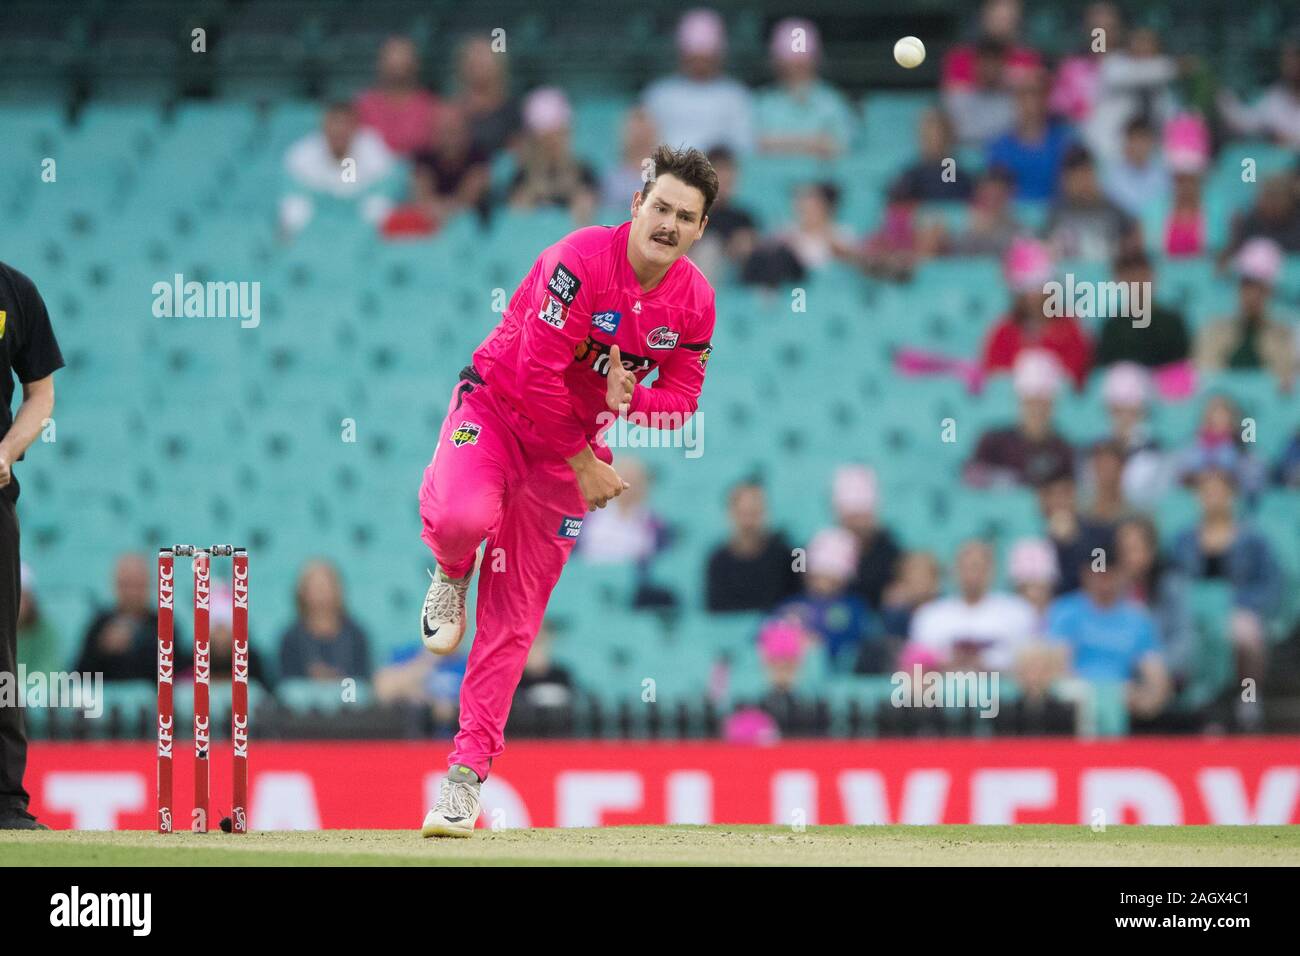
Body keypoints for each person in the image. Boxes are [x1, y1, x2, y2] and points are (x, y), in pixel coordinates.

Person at [416, 145, 718, 836]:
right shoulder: (576, 261)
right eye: (661, 207)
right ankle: (450, 569)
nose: (668, 225)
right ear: (636, 205)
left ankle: (465, 779)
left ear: (701, 230)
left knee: (515, 621)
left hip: (566, 460)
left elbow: (682, 401)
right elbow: (536, 375)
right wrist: (586, 461)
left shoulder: (695, 302)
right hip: (496, 411)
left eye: (686, 217)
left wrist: (631, 397)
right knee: (463, 518)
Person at [0, 260, 63, 830]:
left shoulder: (15, 290)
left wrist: (10, 448)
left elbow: (40, 394)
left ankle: (4, 804)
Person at [1171, 468, 1284, 727]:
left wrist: (1241, 606)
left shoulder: (1253, 539)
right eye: (1206, 493)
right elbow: (1174, 581)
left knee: (1243, 633)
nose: (1212, 498)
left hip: (1238, 607)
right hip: (1193, 610)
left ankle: (1247, 698)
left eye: (1219, 492)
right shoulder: (1184, 539)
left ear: (1231, 496)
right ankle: (1199, 703)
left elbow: (1269, 582)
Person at [1045, 562, 1172, 721]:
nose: (1104, 582)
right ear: (1086, 575)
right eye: (1098, 575)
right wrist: (1101, 693)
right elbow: (1056, 666)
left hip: (1123, 703)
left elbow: (1155, 672)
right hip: (1075, 699)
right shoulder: (1066, 611)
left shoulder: (1137, 618)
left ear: (1122, 575)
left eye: (1109, 574)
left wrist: (1145, 700)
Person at [904, 540, 1036, 672]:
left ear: (992, 570)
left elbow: (1028, 659)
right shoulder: (930, 615)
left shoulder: (1018, 611)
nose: (972, 575)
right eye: (965, 567)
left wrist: (987, 663)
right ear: (955, 571)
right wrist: (949, 661)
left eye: (977, 567)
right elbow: (918, 663)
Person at [642, 9, 753, 155]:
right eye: (694, 58)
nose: (700, 64)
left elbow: (744, 147)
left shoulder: (736, 96)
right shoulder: (658, 94)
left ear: (719, 55)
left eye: (706, 58)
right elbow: (643, 149)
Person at [279, 102, 398, 238]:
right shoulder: (301, 155)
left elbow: (380, 201)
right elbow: (295, 205)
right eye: (334, 123)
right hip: (317, 226)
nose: (339, 130)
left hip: (361, 228)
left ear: (355, 127)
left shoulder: (375, 151)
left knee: (377, 209)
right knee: (294, 213)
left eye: (345, 124)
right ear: (323, 127)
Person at [773, 527, 880, 673]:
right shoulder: (791, 604)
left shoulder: (854, 607)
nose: (823, 579)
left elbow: (856, 642)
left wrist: (819, 643)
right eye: (818, 573)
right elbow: (765, 633)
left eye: (830, 573)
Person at [965, 350, 1075, 489]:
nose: (1037, 410)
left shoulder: (1063, 450)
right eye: (1031, 402)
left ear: (1053, 404)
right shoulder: (992, 441)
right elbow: (971, 483)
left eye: (1043, 403)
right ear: (1019, 401)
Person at [1198, 238, 1297, 391]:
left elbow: (1288, 382)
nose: (1251, 295)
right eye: (1246, 286)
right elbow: (1205, 375)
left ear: (1270, 291)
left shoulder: (1287, 333)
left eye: (1259, 288)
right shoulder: (1216, 330)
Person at [754, 18, 856, 161]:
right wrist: (814, 143)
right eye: (790, 63)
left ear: (815, 61)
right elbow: (754, 146)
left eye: (802, 63)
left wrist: (781, 143)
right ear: (777, 63)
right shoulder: (763, 102)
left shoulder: (833, 101)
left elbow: (843, 146)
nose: (796, 70)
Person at [507, 87, 599, 223]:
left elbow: (589, 217)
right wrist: (533, 191)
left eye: (559, 135)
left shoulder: (585, 173)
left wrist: (575, 193)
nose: (553, 143)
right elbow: (517, 220)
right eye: (547, 138)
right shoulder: (521, 176)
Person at [705, 481, 799, 613]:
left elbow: (799, 603)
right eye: (743, 513)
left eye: (755, 513)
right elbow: (716, 613)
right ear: (730, 514)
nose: (749, 521)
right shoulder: (717, 561)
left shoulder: (788, 554)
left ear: (767, 513)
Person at [986, 68, 1075, 201]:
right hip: (1011, 217)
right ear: (1016, 99)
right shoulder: (999, 147)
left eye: (1038, 93)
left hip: (1056, 216)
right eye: (1024, 94)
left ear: (1047, 98)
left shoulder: (1066, 144)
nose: (1032, 101)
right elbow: (995, 194)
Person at [277, 560, 372, 682]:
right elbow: (285, 685)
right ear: (302, 593)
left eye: (326, 586)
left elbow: (364, 681)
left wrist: (336, 679)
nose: (322, 592)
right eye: (315, 587)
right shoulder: (290, 638)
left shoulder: (356, 635)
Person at [1044, 145, 1140, 262]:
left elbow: (1134, 238)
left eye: (1086, 174)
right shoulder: (1057, 213)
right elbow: (1046, 247)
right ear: (1064, 180)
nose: (1082, 183)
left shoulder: (1113, 210)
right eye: (1075, 177)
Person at [1093, 253, 1190, 369]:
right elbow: (1107, 367)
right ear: (1119, 281)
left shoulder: (1172, 321)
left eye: (1142, 274)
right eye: (1130, 276)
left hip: (1167, 380)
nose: (1137, 281)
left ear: (1152, 276)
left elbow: (1182, 362)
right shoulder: (1113, 327)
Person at [73, 554, 159, 681]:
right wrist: (102, 648)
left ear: (148, 585)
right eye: (126, 584)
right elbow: (80, 675)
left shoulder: (163, 624)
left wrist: (139, 643)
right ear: (115, 585)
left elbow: (175, 673)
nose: (132, 592)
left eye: (138, 584)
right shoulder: (100, 624)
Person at [354, 36, 442, 156]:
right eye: (391, 57)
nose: (397, 63)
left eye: (403, 57)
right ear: (380, 63)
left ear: (416, 64)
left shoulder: (431, 106)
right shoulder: (363, 105)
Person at [831, 465, 902, 610]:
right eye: (852, 517)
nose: (858, 524)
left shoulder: (892, 555)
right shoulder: (817, 552)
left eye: (862, 517)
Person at [452, 36, 523, 158]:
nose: (478, 64)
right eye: (473, 58)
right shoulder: (451, 111)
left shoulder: (513, 110)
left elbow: (518, 153)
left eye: (484, 59)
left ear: (499, 65)